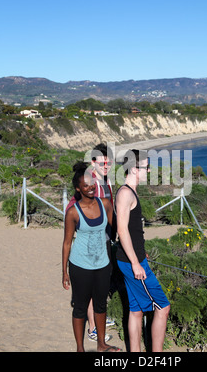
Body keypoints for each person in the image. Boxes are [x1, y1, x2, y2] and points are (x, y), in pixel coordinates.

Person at [115, 149, 170, 352]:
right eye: (147, 167)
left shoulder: (129, 191)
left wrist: (140, 251)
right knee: (163, 307)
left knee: (136, 310)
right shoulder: (126, 193)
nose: (149, 170)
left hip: (132, 258)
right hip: (132, 262)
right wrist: (136, 262)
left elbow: (133, 230)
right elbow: (122, 230)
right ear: (135, 169)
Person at [62, 162, 121, 352]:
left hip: (102, 263)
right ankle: (80, 348)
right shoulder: (73, 212)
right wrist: (64, 272)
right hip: (80, 265)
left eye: (92, 184)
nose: (91, 188)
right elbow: (67, 243)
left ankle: (101, 344)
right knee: (80, 307)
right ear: (78, 189)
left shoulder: (105, 204)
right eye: (85, 185)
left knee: (101, 305)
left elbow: (118, 228)